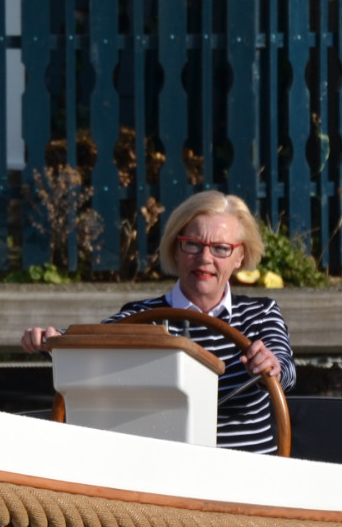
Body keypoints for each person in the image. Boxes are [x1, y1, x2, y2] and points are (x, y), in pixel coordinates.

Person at [21, 191, 297, 454]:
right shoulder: (143, 318)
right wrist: (54, 339)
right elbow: (95, 342)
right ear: (176, 249)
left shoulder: (261, 313)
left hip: (248, 479)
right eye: (192, 244)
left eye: (221, 249)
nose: (204, 258)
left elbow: (285, 369)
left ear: (240, 257)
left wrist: (269, 365)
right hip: (165, 477)